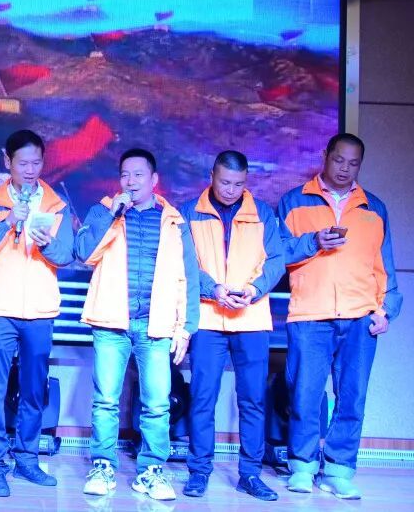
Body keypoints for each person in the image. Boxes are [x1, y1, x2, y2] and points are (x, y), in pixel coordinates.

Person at [278, 133, 402, 499]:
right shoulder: (294, 201)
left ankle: (338, 469)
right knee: (304, 395)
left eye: (353, 163)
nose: (345, 169)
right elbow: (276, 255)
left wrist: (386, 310)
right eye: (339, 160)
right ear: (325, 156)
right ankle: (302, 466)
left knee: (352, 397)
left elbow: (385, 267)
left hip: (359, 317)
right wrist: (314, 242)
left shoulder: (373, 208)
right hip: (310, 314)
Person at [75, 148, 200, 501]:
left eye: (138, 175)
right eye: (125, 175)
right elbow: (84, 252)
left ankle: (151, 471)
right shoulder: (104, 211)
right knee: (105, 400)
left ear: (154, 180)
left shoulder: (173, 221)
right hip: (111, 322)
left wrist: (185, 326)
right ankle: (102, 467)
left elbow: (188, 276)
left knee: (157, 403)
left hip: (155, 325)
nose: (130, 181)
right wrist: (110, 215)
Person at [0, 130, 74, 498]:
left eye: (36, 163)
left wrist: (48, 246)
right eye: (23, 163)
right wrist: (7, 222)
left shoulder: (57, 205)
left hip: (40, 311)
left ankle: (27, 457)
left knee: (33, 390)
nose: (30, 170)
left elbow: (67, 255)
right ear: (7, 161)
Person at [180, 151, 285, 501]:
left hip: (251, 318)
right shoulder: (189, 212)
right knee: (202, 396)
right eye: (225, 182)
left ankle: (250, 474)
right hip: (208, 318)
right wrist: (213, 289)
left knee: (253, 399)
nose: (230, 189)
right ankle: (199, 471)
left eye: (238, 184)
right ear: (212, 175)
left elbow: (276, 261)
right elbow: (185, 263)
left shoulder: (263, 214)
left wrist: (254, 290)